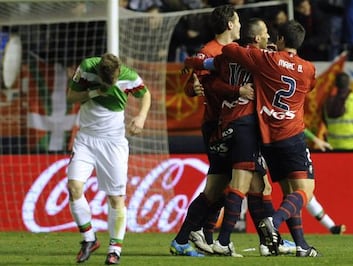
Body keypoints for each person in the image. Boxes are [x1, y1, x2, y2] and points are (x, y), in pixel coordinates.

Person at [221, 20, 320, 257]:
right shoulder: (308, 69)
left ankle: (302, 245)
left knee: (289, 192)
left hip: (268, 139)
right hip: (293, 135)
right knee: (306, 191)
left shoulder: (267, 60)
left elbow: (229, 50)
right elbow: (311, 86)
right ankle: (273, 222)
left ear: (281, 40)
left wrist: (260, 50)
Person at [170, 5, 242, 257]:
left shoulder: (234, 51)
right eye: (238, 20)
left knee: (227, 185)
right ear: (230, 24)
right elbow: (194, 85)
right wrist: (194, 89)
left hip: (231, 124)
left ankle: (204, 235)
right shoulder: (209, 52)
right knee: (221, 185)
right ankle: (192, 234)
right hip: (217, 125)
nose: (241, 25)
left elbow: (195, 83)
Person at [66, 53, 151, 264]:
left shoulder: (128, 75)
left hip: (113, 143)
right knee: (74, 187)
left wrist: (140, 117)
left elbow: (145, 94)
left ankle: (114, 249)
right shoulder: (86, 67)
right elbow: (71, 97)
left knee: (115, 198)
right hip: (85, 139)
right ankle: (89, 239)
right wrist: (96, 91)